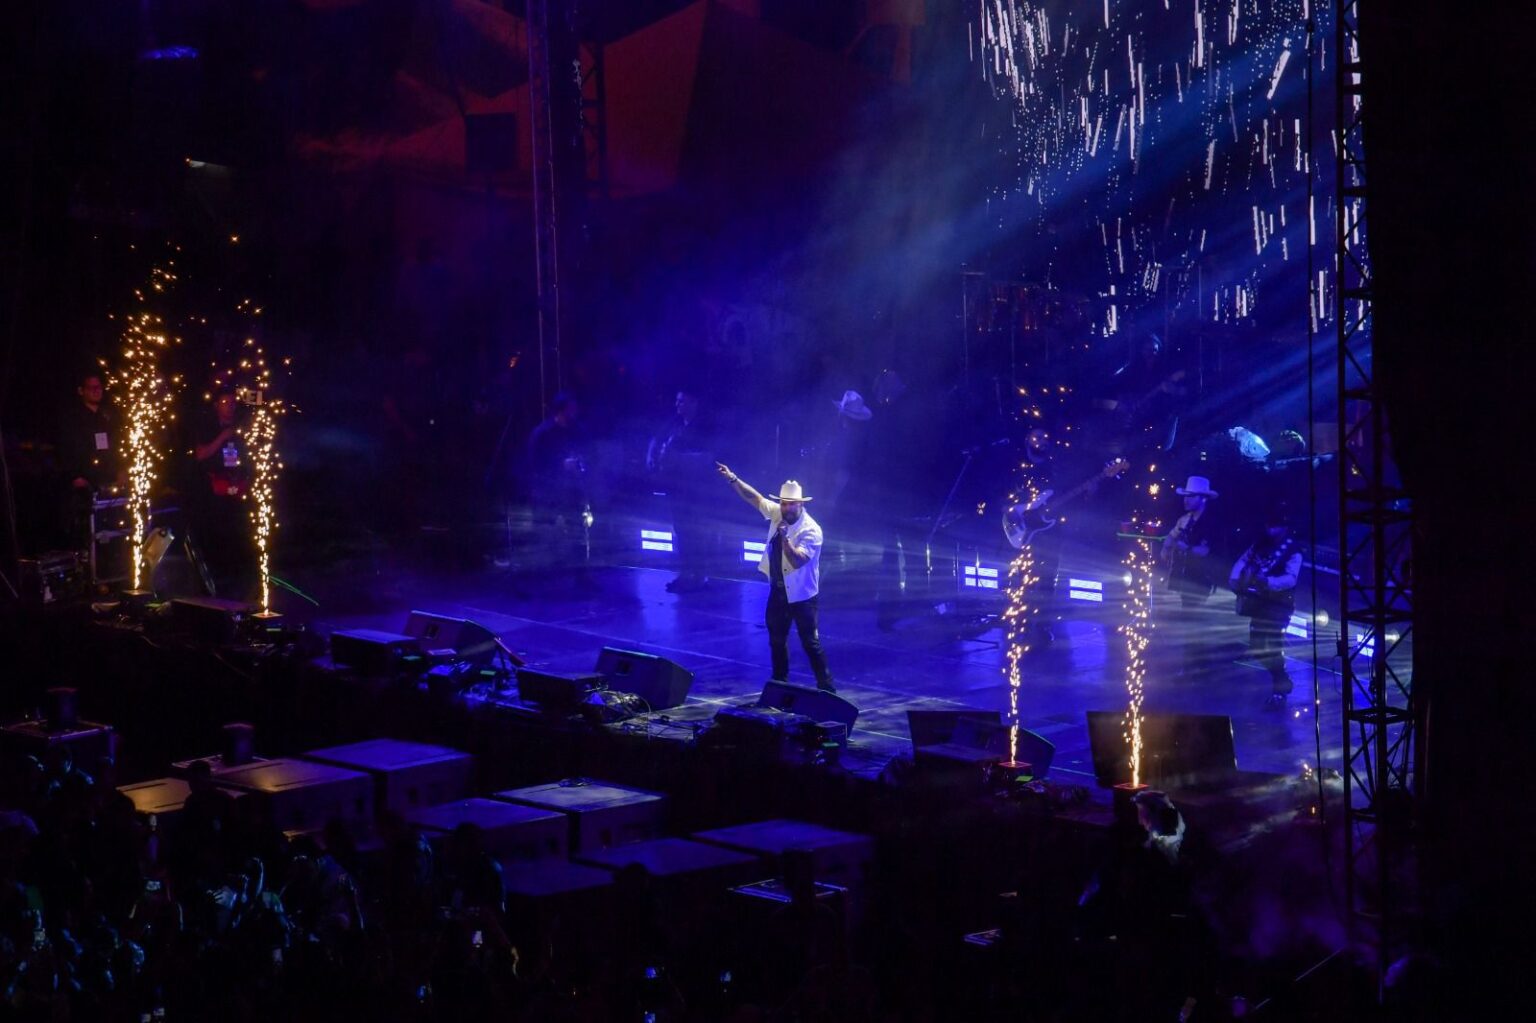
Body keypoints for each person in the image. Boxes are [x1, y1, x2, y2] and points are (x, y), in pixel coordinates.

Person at [716, 464, 835, 692]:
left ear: (801, 504)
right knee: (777, 641)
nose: (786, 508)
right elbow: (755, 498)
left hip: (802, 597)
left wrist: (784, 538)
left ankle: (828, 688)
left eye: (791, 504)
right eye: (783, 503)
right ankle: (780, 684)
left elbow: (798, 561)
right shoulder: (777, 514)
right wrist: (733, 478)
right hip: (779, 592)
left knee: (810, 643)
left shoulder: (811, 530)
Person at [1229, 504, 1303, 708]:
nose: (1271, 530)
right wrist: (1235, 579)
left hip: (1279, 605)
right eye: (1269, 525)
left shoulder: (1293, 550)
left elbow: (1290, 579)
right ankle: (1282, 680)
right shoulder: (1260, 544)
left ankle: (1280, 690)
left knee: (1272, 646)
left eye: (1276, 526)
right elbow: (1242, 561)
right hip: (1259, 603)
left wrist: (1268, 582)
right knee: (1258, 647)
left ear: (1285, 527)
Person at [647, 389, 714, 592]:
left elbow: (709, 457)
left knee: (696, 532)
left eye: (682, 402)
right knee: (681, 530)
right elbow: (655, 439)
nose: (677, 405)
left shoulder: (704, 427)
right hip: (676, 487)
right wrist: (651, 457)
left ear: (693, 403)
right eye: (677, 401)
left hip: (696, 489)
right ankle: (686, 574)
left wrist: (678, 458)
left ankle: (700, 576)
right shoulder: (673, 423)